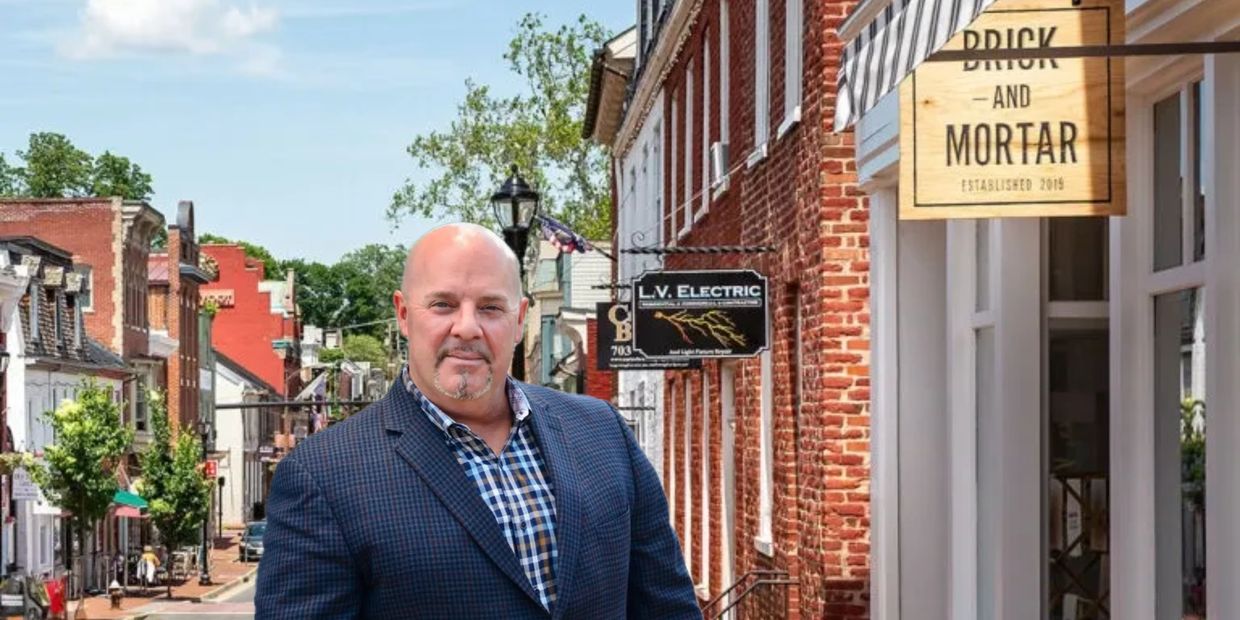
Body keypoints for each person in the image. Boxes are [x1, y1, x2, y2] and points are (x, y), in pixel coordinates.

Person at [255, 224, 698, 619]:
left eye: (490, 308)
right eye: (443, 304)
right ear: (404, 315)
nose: (467, 328)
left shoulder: (602, 432)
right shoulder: (323, 476)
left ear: (521, 318)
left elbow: (667, 605)